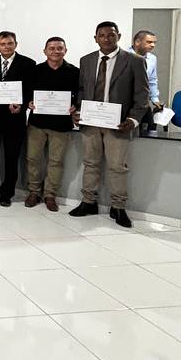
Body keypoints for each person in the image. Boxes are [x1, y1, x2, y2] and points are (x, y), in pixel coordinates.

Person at [70, 21, 149, 228]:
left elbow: (142, 95)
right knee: (90, 163)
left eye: (111, 35)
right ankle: (88, 202)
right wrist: (78, 111)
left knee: (117, 167)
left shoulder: (135, 61)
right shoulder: (86, 61)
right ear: (95, 38)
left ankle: (118, 207)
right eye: (102, 35)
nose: (107, 38)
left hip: (118, 123)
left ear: (119, 36)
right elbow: (81, 90)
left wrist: (133, 119)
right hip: (90, 123)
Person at [0, 31, 36, 207]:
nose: (7, 47)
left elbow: (31, 91)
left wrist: (23, 104)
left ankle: (7, 193)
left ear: (16, 44)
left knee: (11, 158)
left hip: (14, 119)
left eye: (10, 43)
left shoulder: (28, 64)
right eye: (3, 44)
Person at [25, 37, 79, 212]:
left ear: (65, 50)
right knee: (33, 159)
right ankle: (34, 191)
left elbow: (80, 95)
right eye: (52, 48)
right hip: (37, 124)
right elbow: (25, 93)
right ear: (45, 51)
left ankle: (50, 195)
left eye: (59, 48)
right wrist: (28, 103)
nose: (56, 51)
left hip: (61, 125)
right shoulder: (34, 71)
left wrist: (75, 106)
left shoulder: (75, 72)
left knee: (56, 162)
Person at [128, 30, 161, 130]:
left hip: (142, 102)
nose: (153, 45)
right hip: (126, 102)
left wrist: (155, 99)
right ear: (137, 42)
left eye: (154, 42)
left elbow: (152, 80)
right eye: (149, 42)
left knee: (150, 130)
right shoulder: (123, 56)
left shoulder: (152, 58)